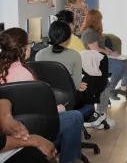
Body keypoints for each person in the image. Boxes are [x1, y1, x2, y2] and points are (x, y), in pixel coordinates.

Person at [0, 28, 83, 163]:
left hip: (5, 127)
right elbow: (35, 111)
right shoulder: (23, 74)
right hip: (27, 126)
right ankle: (70, 159)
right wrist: (60, 108)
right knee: (75, 117)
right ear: (24, 48)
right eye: (30, 44)